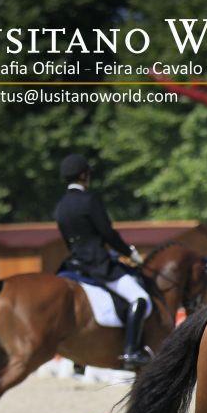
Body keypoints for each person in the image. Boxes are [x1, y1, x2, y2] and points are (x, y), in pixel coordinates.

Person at [54, 153, 151, 369]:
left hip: (74, 265)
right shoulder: (89, 200)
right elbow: (108, 233)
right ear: (83, 175)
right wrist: (129, 252)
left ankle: (79, 357)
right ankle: (131, 351)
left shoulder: (60, 206)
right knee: (139, 298)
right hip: (97, 264)